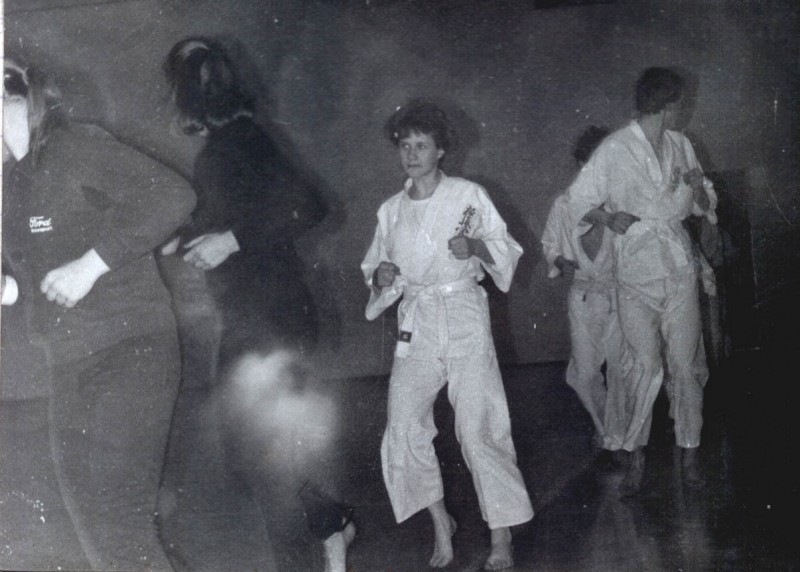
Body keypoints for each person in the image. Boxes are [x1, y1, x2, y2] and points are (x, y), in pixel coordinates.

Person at [161, 37, 354, 572]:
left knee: (261, 449)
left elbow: (308, 206)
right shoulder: (223, 148)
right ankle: (330, 527)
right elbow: (238, 212)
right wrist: (184, 235)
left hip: (275, 317)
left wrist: (231, 240)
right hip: (251, 317)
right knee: (251, 450)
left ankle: (324, 539)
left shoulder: (242, 138)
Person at [2, 58, 196, 570]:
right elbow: (41, 282)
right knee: (90, 520)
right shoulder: (14, 182)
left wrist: (91, 265)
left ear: (11, 98)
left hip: (132, 351)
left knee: (119, 520)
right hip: (70, 361)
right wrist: (7, 289)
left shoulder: (74, 147)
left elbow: (174, 195)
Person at [361, 100, 534, 570]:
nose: (411, 154)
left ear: (440, 151)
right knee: (402, 426)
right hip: (416, 320)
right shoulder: (391, 211)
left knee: (478, 428)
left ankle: (501, 534)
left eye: (421, 145)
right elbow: (376, 268)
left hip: (463, 313)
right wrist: (381, 277)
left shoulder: (468, 196)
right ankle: (441, 522)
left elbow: (506, 249)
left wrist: (475, 245)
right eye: (405, 146)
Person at [563, 67, 717, 495]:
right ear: (667, 105)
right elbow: (576, 200)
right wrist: (608, 217)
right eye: (678, 103)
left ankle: (690, 453)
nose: (680, 111)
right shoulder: (614, 148)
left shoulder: (681, 145)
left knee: (685, 365)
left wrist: (697, 189)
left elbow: (704, 204)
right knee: (643, 366)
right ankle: (635, 453)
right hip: (635, 271)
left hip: (678, 267)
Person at [541, 126, 629, 453]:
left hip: (620, 295)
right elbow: (550, 243)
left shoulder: (623, 205)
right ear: (579, 166)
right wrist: (559, 260)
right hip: (582, 296)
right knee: (586, 372)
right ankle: (605, 426)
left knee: (621, 369)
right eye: (586, 166)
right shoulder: (564, 205)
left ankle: (619, 437)